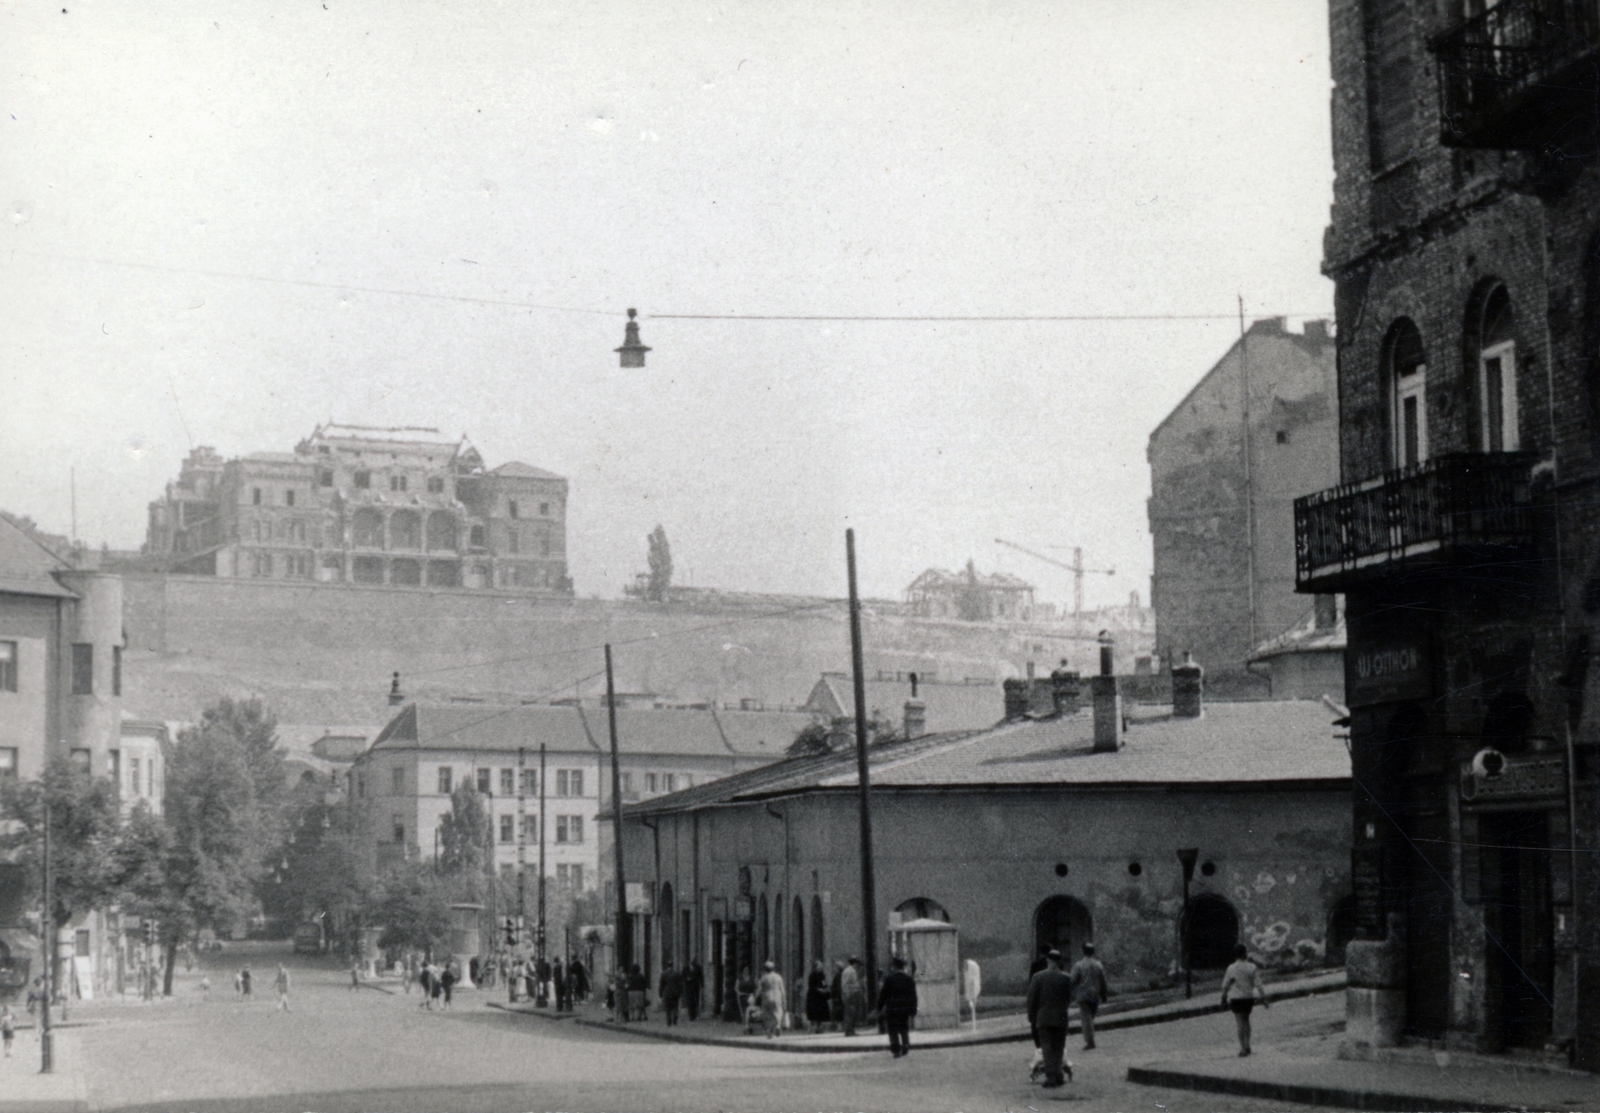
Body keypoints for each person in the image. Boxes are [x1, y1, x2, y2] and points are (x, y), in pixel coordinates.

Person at [1026, 948, 1073, 1088]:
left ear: (1048, 960)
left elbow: (1031, 999)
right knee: (1059, 1047)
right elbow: (1069, 998)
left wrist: (1031, 1016)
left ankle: (1051, 1077)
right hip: (1061, 1017)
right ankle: (1058, 1075)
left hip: (1043, 1017)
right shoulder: (1066, 978)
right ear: (1059, 962)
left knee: (1046, 1048)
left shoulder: (1038, 977)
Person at [1220, 943, 1269, 1056]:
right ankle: (1247, 1045)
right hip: (1248, 998)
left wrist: (1223, 998)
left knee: (1239, 1022)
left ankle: (1242, 1048)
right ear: (1245, 954)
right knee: (1246, 1021)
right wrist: (1264, 998)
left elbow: (1225, 985)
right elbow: (1259, 984)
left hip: (1236, 998)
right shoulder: (1251, 967)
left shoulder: (1231, 968)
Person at [1068, 943, 1109, 1050]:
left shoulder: (1079, 965)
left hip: (1084, 995)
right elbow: (1103, 981)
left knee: (1086, 1019)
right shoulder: (1098, 965)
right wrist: (1104, 994)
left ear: (1083, 951)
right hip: (1095, 995)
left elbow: (1072, 980)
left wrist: (1072, 992)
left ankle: (1090, 1041)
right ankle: (1090, 1038)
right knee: (1091, 1017)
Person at [879, 957, 919, 1058]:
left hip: (892, 1008)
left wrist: (879, 1006)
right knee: (904, 1027)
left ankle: (896, 1050)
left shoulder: (890, 979)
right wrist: (913, 1009)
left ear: (894, 966)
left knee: (893, 1030)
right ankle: (905, 1045)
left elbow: (883, 994)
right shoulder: (909, 979)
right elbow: (913, 996)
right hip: (904, 1008)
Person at [841, 958, 867, 1037]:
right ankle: (849, 1030)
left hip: (853, 994)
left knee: (853, 1013)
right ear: (855, 964)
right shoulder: (850, 971)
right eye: (858, 965)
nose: (859, 967)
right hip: (851, 994)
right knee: (851, 1013)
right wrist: (848, 994)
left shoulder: (850, 971)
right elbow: (845, 984)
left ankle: (851, 1030)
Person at [805, 960, 831, 1033]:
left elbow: (824, 983)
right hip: (814, 997)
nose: (821, 968)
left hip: (821, 998)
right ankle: (814, 1028)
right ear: (815, 967)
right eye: (820, 966)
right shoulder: (812, 975)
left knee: (823, 1013)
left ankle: (820, 1028)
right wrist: (820, 990)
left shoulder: (822, 975)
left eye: (821, 966)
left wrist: (826, 989)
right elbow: (812, 986)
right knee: (815, 1014)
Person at [659, 961, 684, 1026]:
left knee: (668, 1007)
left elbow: (661, 985)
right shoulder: (677, 973)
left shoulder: (664, 974)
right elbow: (680, 984)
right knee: (675, 1006)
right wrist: (681, 992)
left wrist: (660, 993)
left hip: (667, 992)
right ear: (673, 965)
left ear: (667, 966)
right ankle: (675, 1018)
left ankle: (669, 1020)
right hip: (675, 992)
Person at [735, 966, 757, 1032]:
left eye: (747, 970)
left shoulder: (752, 978)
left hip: (750, 995)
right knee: (744, 1011)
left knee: (749, 1009)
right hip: (742, 996)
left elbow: (757, 986)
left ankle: (748, 1025)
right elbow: (736, 988)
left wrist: (755, 993)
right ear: (743, 971)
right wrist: (739, 993)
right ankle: (746, 1026)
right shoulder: (740, 979)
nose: (746, 971)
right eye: (745, 970)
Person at [828, 960, 845, 1032]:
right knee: (839, 1011)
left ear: (838, 969)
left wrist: (835, 996)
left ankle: (840, 1027)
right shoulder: (839, 976)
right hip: (839, 996)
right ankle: (840, 1026)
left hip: (838, 997)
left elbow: (838, 988)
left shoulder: (838, 977)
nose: (834, 969)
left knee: (838, 1012)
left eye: (835, 968)